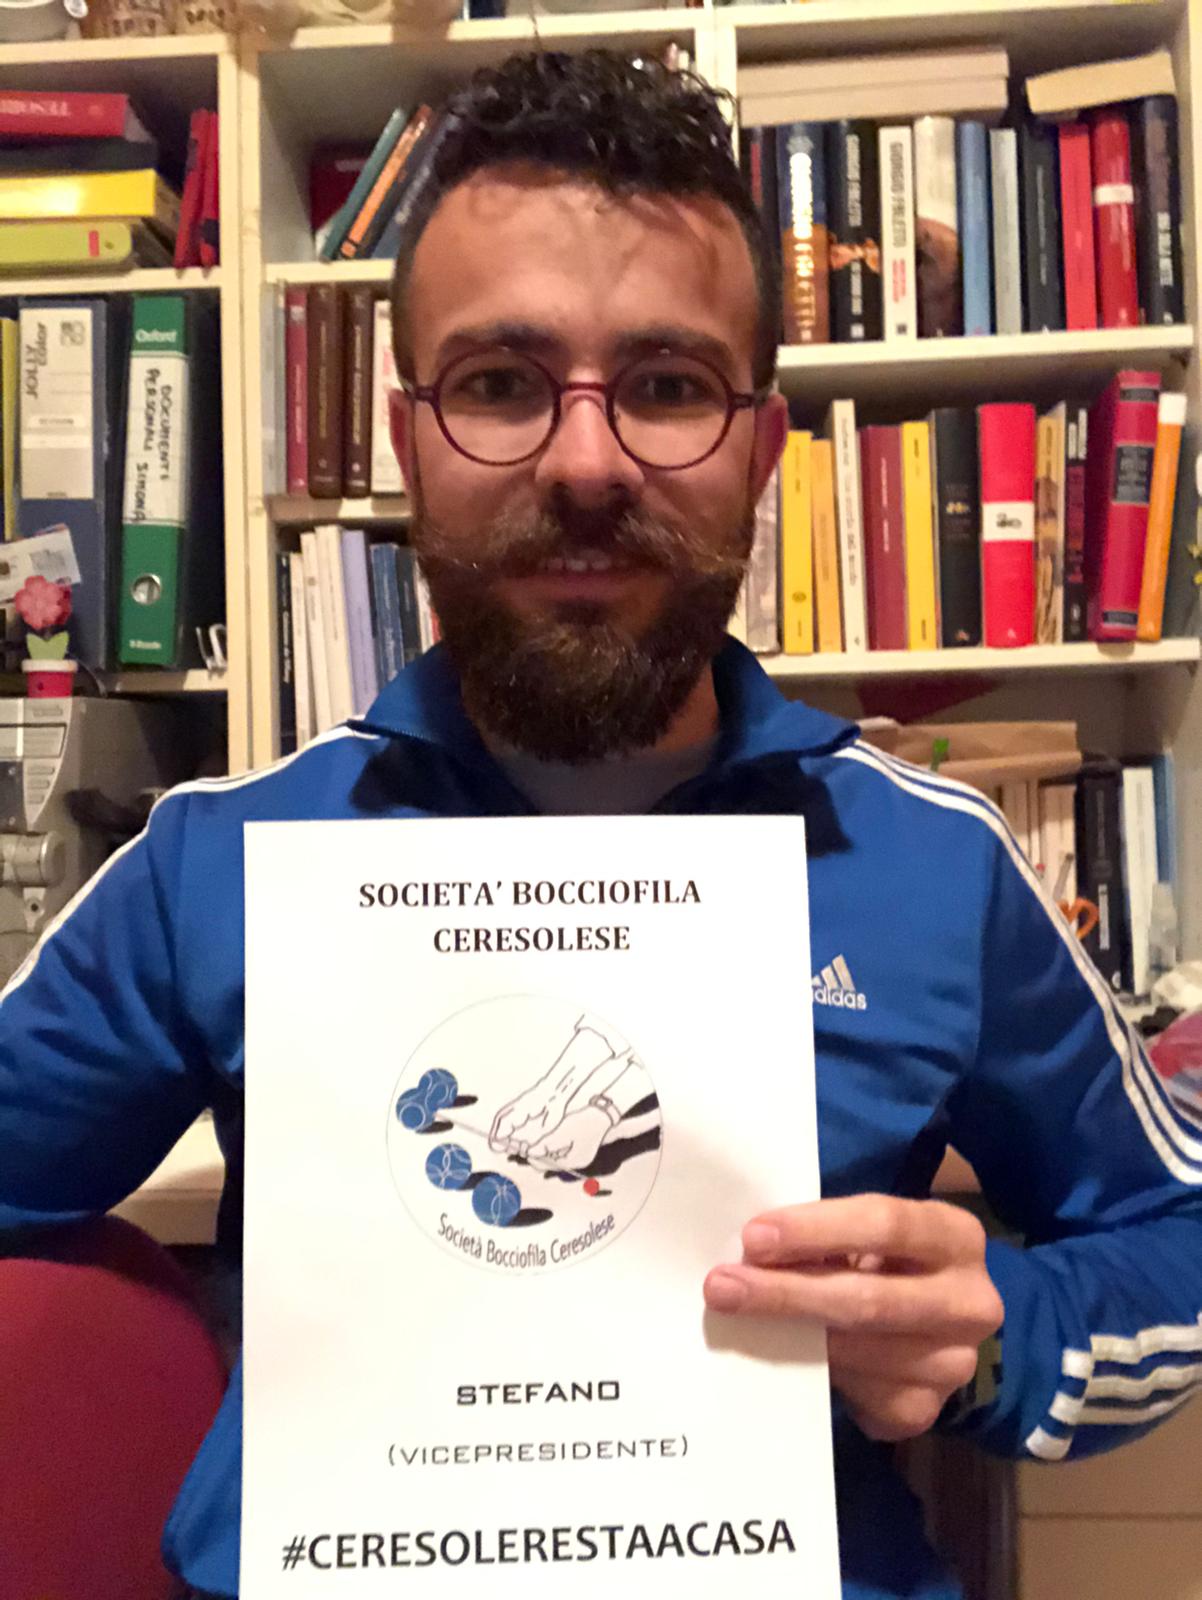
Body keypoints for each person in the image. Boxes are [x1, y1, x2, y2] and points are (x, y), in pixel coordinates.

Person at [1, 49, 1200, 1600]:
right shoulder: (216, 865)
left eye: (667, 386)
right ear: (409, 437)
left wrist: (996, 1338)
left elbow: (1173, 1234)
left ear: (761, 447)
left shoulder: (932, 864)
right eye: (501, 384)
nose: (585, 462)